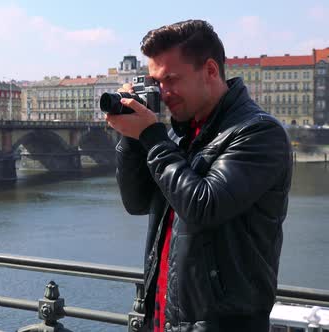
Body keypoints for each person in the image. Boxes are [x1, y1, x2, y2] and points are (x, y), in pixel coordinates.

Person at [107, 20, 292, 332]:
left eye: (172, 80)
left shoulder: (258, 132)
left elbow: (203, 206)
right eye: (156, 82)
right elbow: (136, 201)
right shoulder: (180, 135)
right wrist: (132, 137)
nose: (163, 94)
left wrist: (152, 137)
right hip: (165, 320)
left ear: (209, 70)